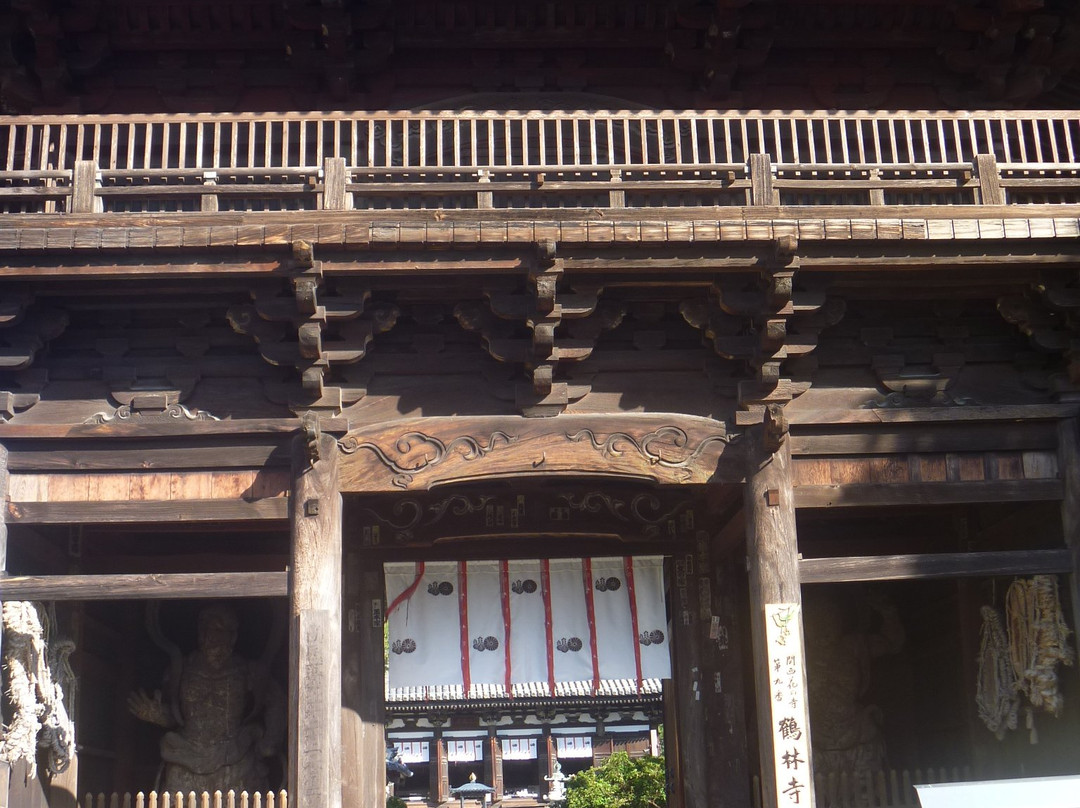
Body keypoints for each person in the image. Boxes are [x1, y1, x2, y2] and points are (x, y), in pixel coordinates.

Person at [128, 604, 283, 794]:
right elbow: (176, 717)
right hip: (185, 755)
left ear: (233, 636)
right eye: (208, 629)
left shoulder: (247, 671)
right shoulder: (180, 670)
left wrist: (270, 741)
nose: (213, 636)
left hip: (236, 755)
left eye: (222, 630)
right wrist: (157, 714)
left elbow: (276, 702)